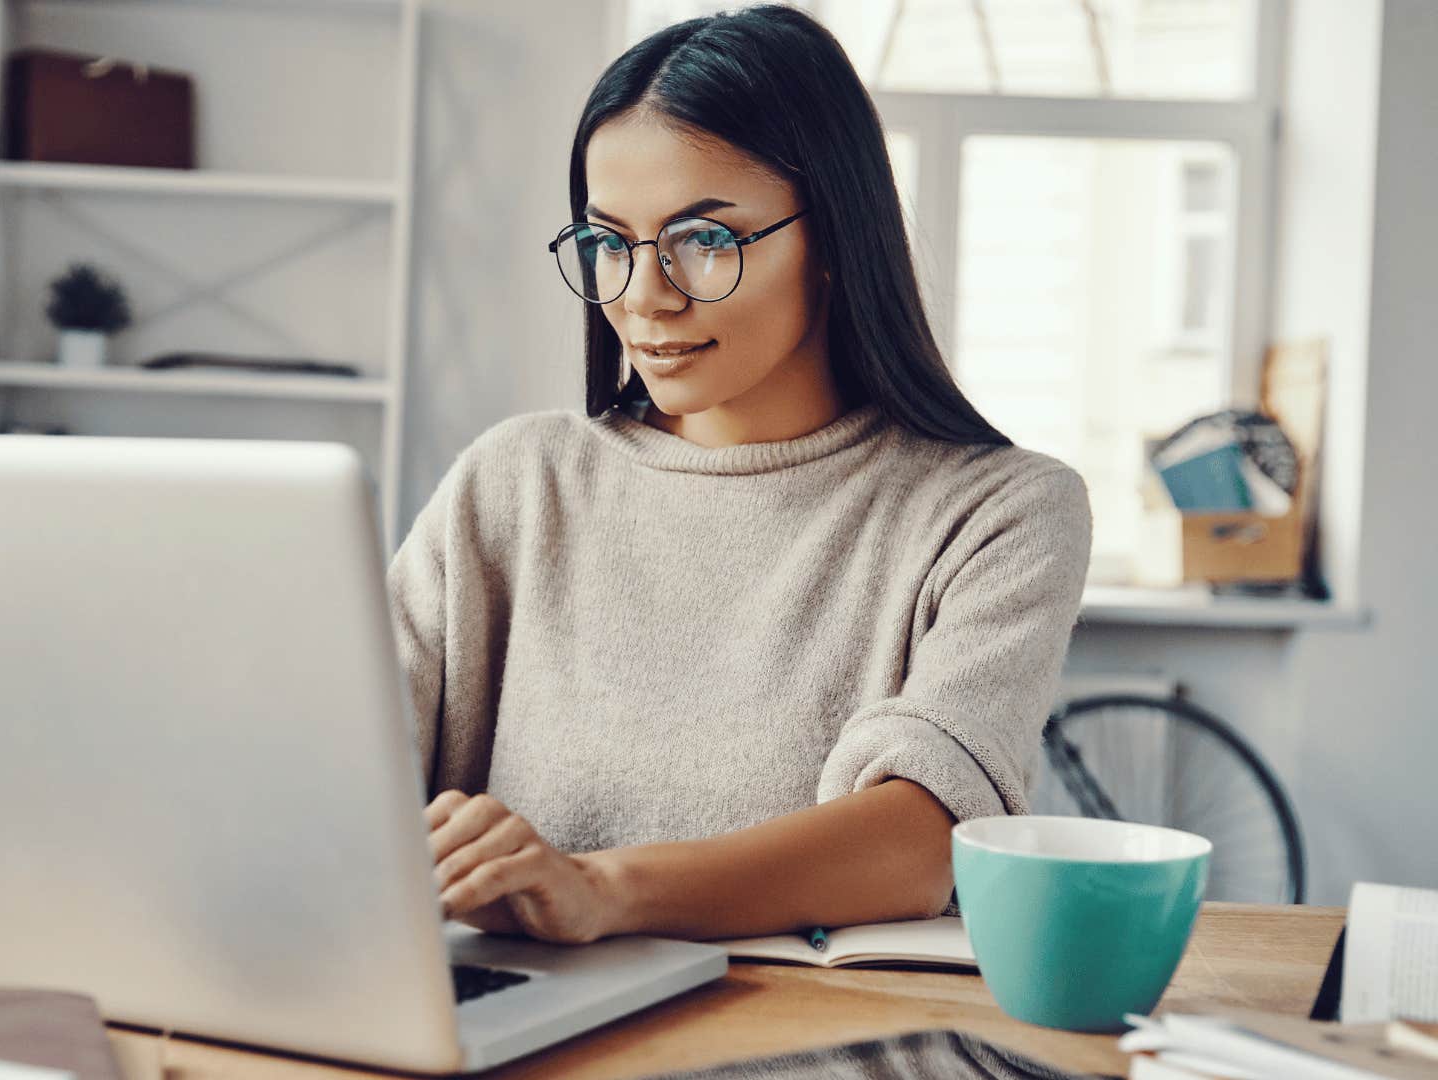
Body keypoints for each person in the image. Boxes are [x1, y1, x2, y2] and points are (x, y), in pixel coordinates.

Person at [387, 5, 1093, 947]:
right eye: (608, 243)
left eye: (704, 240)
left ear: (836, 239)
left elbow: (919, 841)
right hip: (524, 1032)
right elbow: (341, 759)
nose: (644, 296)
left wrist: (601, 888)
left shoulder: (998, 513)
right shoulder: (513, 484)